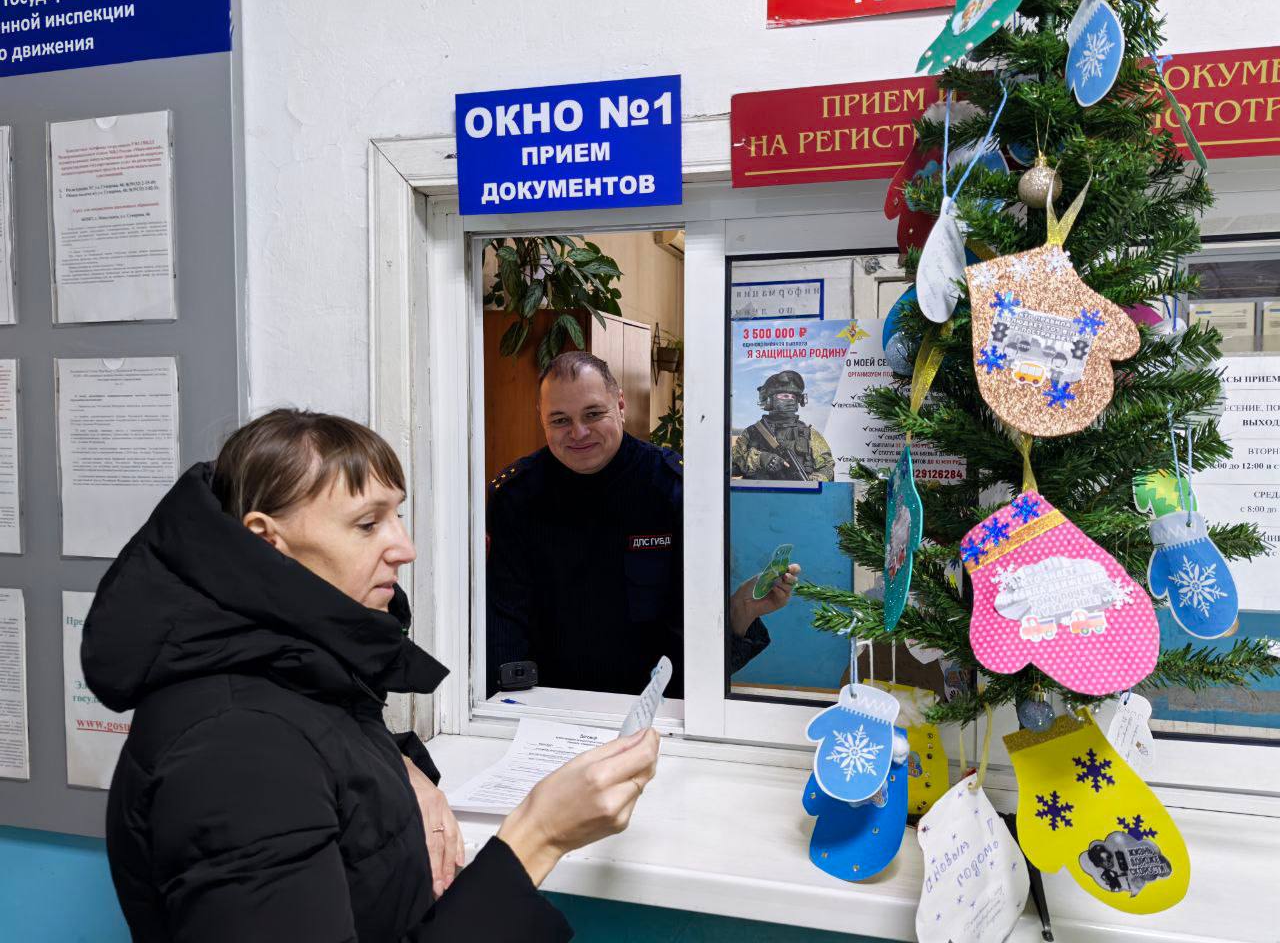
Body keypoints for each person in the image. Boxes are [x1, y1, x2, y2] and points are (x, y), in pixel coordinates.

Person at [81, 409, 659, 942]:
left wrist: (403, 770)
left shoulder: (290, 669)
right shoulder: (232, 750)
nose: (404, 548)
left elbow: (320, 746)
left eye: (396, 515)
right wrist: (537, 837)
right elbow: (278, 758)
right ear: (267, 540)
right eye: (366, 524)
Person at [487, 351, 800, 698]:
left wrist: (739, 612)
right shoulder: (516, 496)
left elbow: (696, 628)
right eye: (560, 420)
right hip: (547, 702)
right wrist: (504, 707)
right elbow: (504, 621)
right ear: (541, 419)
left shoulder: (673, 488)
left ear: (620, 405)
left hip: (654, 704)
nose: (578, 432)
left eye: (593, 414)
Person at [731, 370, 835, 482]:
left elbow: (827, 467)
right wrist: (760, 458)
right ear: (769, 400)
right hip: (759, 492)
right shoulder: (752, 433)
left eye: (793, 396)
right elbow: (731, 466)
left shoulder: (810, 434)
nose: (789, 399)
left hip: (800, 492)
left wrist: (813, 482)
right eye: (784, 396)